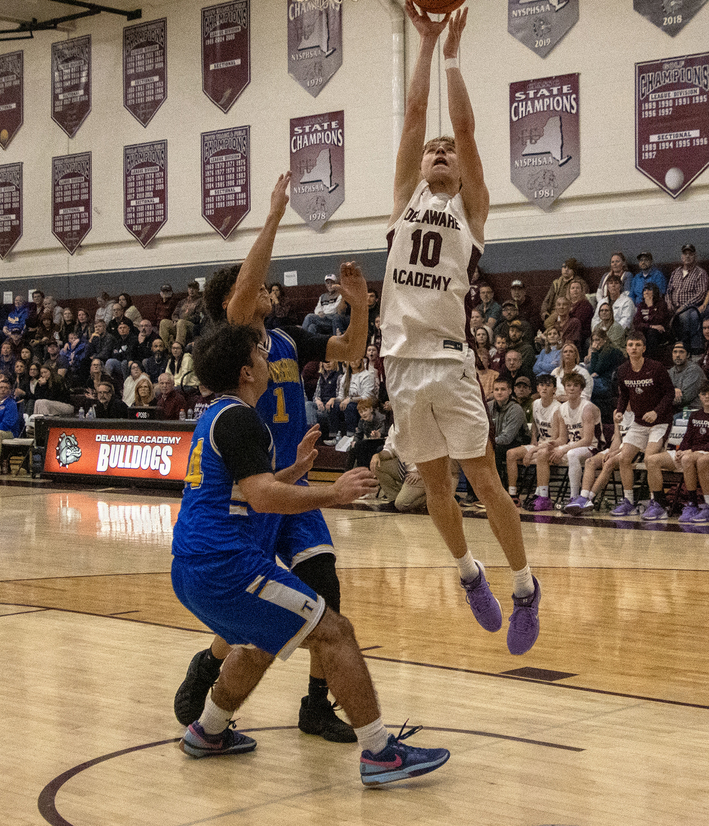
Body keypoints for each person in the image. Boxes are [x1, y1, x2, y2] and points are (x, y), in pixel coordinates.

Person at [171, 323, 449, 783]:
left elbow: (243, 487)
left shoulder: (216, 415)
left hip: (192, 568)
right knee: (335, 631)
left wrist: (296, 470)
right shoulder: (241, 419)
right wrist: (332, 494)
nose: (268, 363)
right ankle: (380, 752)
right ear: (246, 372)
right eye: (260, 357)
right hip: (225, 566)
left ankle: (209, 732)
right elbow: (261, 498)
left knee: (259, 641)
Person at [174, 173, 375, 743]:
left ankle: (316, 704)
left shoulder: (284, 341)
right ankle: (210, 672)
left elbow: (352, 351)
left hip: (292, 484)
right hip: (258, 493)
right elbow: (244, 290)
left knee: (323, 589)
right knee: (259, 605)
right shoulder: (236, 340)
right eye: (261, 289)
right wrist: (274, 217)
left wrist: (359, 307)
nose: (270, 294)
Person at [379, 3, 540, 655]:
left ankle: (525, 587)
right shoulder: (401, 202)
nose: (440, 150)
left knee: (484, 480)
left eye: (447, 151)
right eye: (432, 151)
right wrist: (421, 43)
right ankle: (468, 574)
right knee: (432, 484)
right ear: (420, 167)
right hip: (398, 362)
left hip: (448, 362)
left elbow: (464, 127)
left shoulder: (471, 213)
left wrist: (451, 53)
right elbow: (416, 118)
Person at [611, 330, 674, 517]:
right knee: (623, 458)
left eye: (638, 345)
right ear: (626, 348)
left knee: (649, 459)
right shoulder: (622, 370)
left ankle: (659, 503)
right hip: (639, 423)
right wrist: (620, 411)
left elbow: (670, 393)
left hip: (660, 422)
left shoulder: (656, 368)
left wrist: (656, 412)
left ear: (644, 348)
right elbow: (624, 395)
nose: (634, 348)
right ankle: (629, 501)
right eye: (630, 345)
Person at [536, 372, 603, 508]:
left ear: (581, 389)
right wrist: (552, 444)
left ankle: (574, 497)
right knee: (543, 453)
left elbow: (587, 440)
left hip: (593, 448)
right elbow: (562, 438)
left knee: (573, 454)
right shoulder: (561, 408)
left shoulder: (587, 408)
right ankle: (543, 497)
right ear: (564, 388)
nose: (571, 388)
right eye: (569, 385)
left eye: (575, 385)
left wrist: (564, 449)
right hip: (573, 446)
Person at [644, 383, 709, 522]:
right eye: (704, 394)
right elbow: (687, 437)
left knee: (693, 459)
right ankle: (660, 504)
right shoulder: (695, 415)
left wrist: (691, 451)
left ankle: (698, 504)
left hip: (704, 453)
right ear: (699, 396)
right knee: (652, 460)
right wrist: (681, 450)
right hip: (689, 453)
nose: (707, 396)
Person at [563, 410, 634, 514]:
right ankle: (583, 497)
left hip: (632, 450)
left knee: (609, 463)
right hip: (618, 449)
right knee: (590, 462)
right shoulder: (617, 412)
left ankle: (589, 499)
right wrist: (611, 451)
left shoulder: (639, 411)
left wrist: (615, 453)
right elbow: (617, 438)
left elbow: (638, 441)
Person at [506, 374, 560, 508]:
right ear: (537, 388)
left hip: (553, 446)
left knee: (540, 455)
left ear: (554, 389)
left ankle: (542, 495)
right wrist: (533, 439)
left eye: (548, 385)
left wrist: (532, 451)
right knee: (511, 454)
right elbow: (535, 424)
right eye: (541, 385)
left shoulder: (558, 408)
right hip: (539, 444)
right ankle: (513, 495)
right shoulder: (535, 403)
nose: (544, 388)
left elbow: (555, 439)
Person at [665, 243, 709, 354]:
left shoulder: (700, 273)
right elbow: (668, 291)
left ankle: (693, 348)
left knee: (689, 315)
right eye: (685, 254)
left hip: (692, 306)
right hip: (674, 306)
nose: (688, 256)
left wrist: (684, 306)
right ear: (682, 257)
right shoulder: (675, 273)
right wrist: (669, 302)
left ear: (695, 256)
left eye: (690, 254)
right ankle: (677, 345)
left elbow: (701, 293)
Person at [487, 379, 529, 486]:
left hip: (517, 443)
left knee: (495, 451)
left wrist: (487, 442)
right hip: (496, 442)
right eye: (496, 389)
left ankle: (498, 489)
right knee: (475, 451)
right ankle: (472, 494)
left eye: (503, 389)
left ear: (510, 391)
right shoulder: (488, 406)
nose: (499, 392)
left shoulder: (516, 409)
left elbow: (507, 438)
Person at [582, 327, 623, 421]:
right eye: (593, 340)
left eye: (598, 340)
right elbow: (593, 371)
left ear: (604, 340)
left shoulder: (610, 351)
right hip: (599, 379)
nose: (595, 343)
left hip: (607, 382)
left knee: (584, 384)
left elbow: (596, 369)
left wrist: (594, 352)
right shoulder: (601, 351)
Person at [0, 375, 23, 473]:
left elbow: (7, 424)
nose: (3, 390)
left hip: (9, 432)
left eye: (6, 388)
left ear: (9, 391)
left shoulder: (11, 404)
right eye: (1, 387)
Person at [160, 280, 204, 348]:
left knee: (181, 322)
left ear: (198, 290)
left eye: (194, 288)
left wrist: (183, 320)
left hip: (191, 327)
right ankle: (165, 348)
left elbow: (198, 317)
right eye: (190, 288)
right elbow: (174, 314)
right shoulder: (182, 301)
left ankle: (179, 347)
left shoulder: (200, 301)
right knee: (164, 322)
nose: (191, 290)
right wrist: (175, 320)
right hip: (179, 324)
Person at [632, 282, 670, 359]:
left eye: (649, 289)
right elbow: (637, 323)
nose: (646, 292)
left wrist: (650, 307)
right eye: (644, 290)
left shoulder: (661, 304)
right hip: (646, 330)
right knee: (637, 334)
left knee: (651, 333)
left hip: (660, 333)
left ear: (655, 291)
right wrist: (650, 326)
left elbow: (659, 321)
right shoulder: (641, 305)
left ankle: (650, 360)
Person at [668, 341, 707, 414]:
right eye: (675, 352)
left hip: (695, 411)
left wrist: (669, 393)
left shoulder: (694, 370)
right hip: (678, 411)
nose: (678, 355)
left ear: (688, 355)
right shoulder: (671, 371)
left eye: (681, 352)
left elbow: (685, 398)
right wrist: (674, 391)